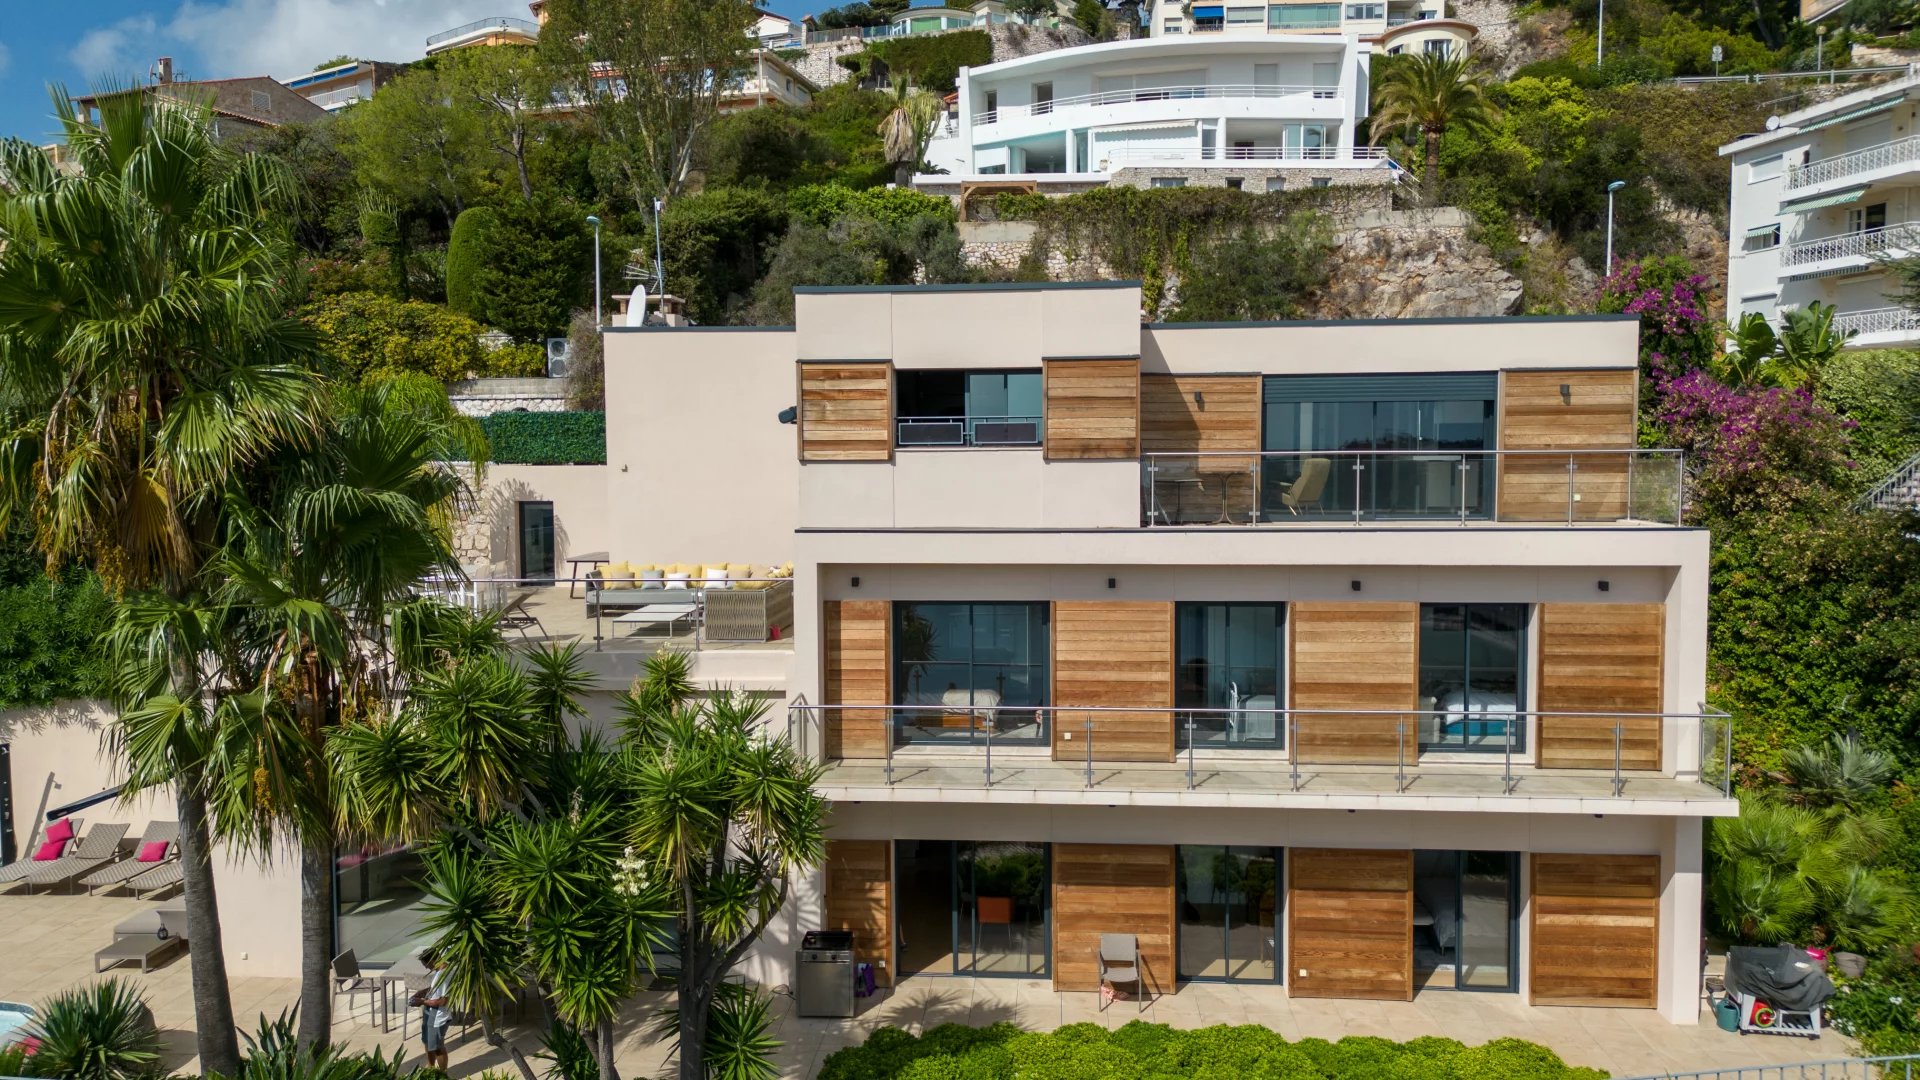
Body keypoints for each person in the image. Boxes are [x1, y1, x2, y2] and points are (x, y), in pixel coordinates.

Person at [409, 948, 453, 1071]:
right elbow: (435, 988)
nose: (427, 968)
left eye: (426, 965)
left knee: (438, 1047)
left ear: (433, 960)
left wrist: (421, 1001)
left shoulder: (444, 975)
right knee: (428, 1044)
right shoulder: (439, 971)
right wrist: (422, 992)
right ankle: (431, 1068)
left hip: (437, 1016)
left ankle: (443, 1074)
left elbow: (443, 1001)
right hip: (430, 1012)